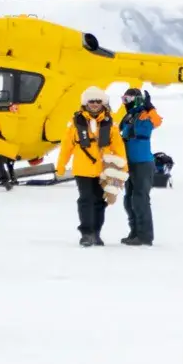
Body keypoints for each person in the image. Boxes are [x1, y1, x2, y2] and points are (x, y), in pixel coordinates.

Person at [54, 86, 129, 247]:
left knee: (100, 202)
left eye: (98, 101)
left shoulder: (111, 125)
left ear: (103, 103)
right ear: (85, 103)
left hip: (104, 170)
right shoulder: (75, 124)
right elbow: (66, 147)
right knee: (85, 200)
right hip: (83, 169)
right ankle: (86, 233)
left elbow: (119, 147)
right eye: (91, 101)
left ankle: (96, 233)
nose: (95, 104)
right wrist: (61, 165)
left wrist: (123, 167)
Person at [115, 87, 163, 246]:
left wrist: (150, 107)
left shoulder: (144, 115)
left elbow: (157, 122)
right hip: (129, 164)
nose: (125, 103)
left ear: (136, 100)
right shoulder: (128, 116)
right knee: (129, 200)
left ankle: (145, 236)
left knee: (140, 199)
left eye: (127, 100)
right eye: (123, 99)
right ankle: (134, 232)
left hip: (143, 163)